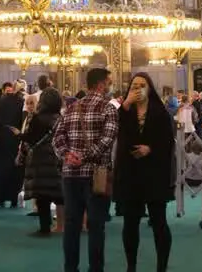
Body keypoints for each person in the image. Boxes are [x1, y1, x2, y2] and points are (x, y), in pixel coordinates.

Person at [53, 68, 118, 272]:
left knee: (71, 226)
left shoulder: (71, 108)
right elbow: (107, 139)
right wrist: (87, 156)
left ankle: (70, 268)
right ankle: (95, 269)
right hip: (96, 175)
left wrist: (67, 155)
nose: (110, 87)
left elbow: (57, 138)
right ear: (100, 85)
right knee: (96, 226)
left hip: (70, 175)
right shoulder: (108, 109)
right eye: (108, 83)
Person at [114, 73, 173, 272]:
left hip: (154, 173)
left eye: (142, 85)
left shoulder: (160, 112)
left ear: (149, 88)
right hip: (130, 173)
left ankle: (161, 266)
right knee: (130, 223)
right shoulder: (125, 111)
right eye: (134, 85)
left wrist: (151, 149)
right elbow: (116, 130)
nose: (138, 88)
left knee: (159, 222)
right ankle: (131, 266)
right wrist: (126, 105)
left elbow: (167, 142)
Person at [21, 89, 64, 236]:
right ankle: (62, 225)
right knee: (59, 194)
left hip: (40, 159)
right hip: (58, 157)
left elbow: (31, 138)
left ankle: (45, 227)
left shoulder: (37, 118)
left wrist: (19, 136)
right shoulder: (61, 118)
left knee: (42, 195)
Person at [0, 77, 26, 208]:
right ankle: (13, 198)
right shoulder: (21, 102)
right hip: (15, 139)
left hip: (2, 139)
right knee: (15, 170)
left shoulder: (2, 101)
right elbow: (23, 123)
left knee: (0, 169)